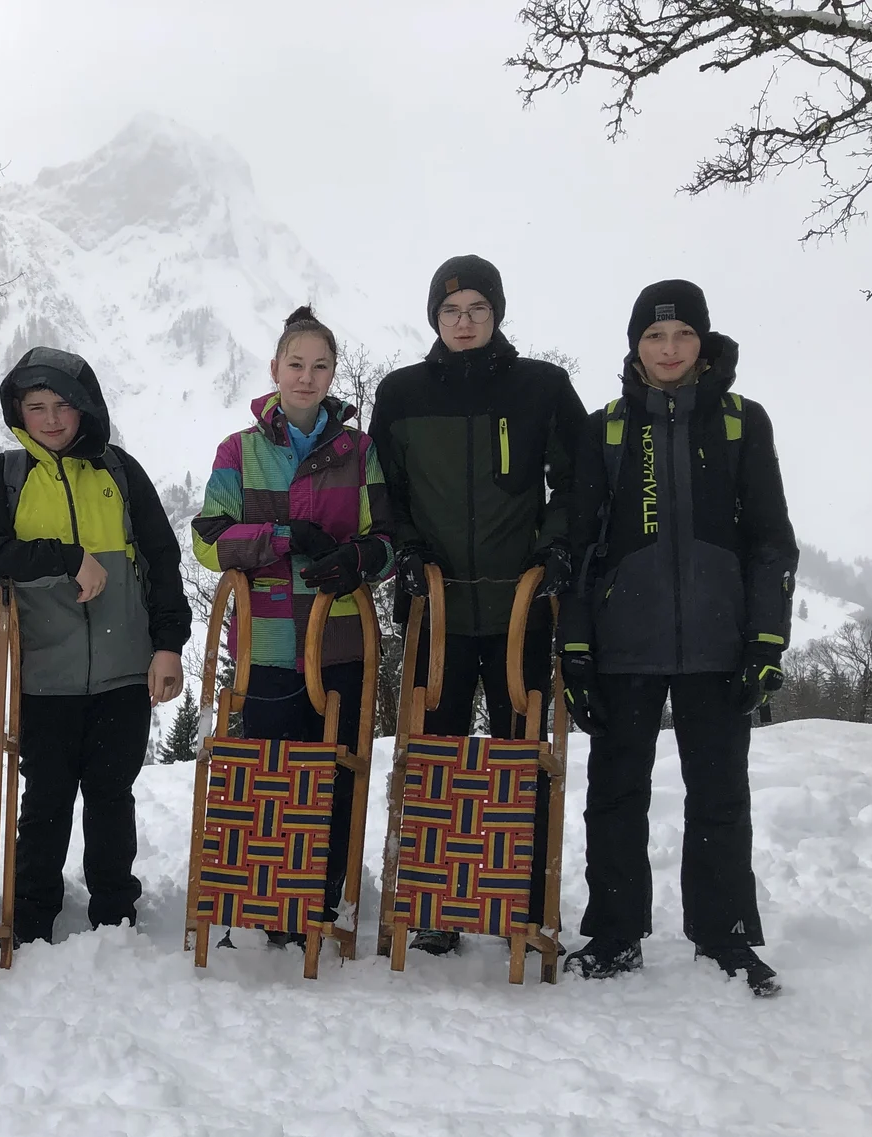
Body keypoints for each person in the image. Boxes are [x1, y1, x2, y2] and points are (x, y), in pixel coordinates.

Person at [561, 280, 797, 997]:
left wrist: (764, 644)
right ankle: (613, 933)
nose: (669, 349)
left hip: (720, 646)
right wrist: (574, 649)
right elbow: (573, 547)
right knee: (615, 793)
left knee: (720, 795)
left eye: (683, 336)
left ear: (703, 343)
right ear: (635, 346)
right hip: (622, 644)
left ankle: (723, 936)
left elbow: (770, 540)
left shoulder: (739, 423)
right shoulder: (603, 430)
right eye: (655, 337)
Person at [369, 255, 586, 956]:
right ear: (434, 317)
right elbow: (385, 490)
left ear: (496, 315)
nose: (464, 322)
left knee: (522, 753)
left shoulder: (541, 388)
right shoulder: (401, 394)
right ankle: (435, 899)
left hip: (518, 601)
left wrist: (553, 547)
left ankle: (523, 892)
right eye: (451, 310)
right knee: (435, 751)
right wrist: (402, 549)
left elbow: (579, 480)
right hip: (436, 604)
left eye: (477, 310)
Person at [0, 347, 190, 946]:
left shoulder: (119, 471)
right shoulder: (6, 476)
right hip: (42, 673)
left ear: (85, 407)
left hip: (123, 668)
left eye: (64, 405)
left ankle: (113, 911)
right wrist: (66, 559)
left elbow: (163, 562)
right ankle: (32, 913)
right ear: (19, 413)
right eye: (36, 407)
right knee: (46, 801)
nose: (52, 419)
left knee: (111, 795)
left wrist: (169, 645)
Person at [191, 306, 395, 945]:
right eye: (296, 364)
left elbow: (387, 539)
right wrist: (283, 537)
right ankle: (275, 903)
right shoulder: (241, 449)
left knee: (335, 771)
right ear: (275, 369)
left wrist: (360, 558)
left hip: (340, 637)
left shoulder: (360, 452)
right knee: (272, 772)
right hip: (268, 638)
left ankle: (325, 901)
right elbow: (208, 540)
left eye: (321, 366)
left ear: (334, 374)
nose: (307, 377)